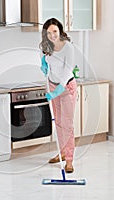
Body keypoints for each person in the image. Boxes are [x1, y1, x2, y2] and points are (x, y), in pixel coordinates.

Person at [39, 18, 77, 173]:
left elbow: (68, 70)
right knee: (59, 123)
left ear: (60, 31)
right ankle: (61, 152)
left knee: (67, 125)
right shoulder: (46, 47)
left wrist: (58, 90)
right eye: (48, 33)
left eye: (54, 31)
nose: (52, 35)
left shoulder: (68, 47)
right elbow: (47, 66)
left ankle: (69, 160)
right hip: (53, 85)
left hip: (66, 88)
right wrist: (43, 64)